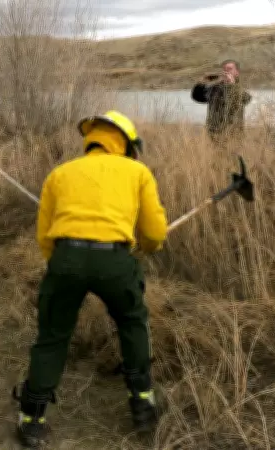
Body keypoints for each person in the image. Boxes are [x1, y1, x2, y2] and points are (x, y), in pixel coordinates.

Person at [14, 110, 168, 447]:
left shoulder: (60, 173)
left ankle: (32, 418)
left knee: (53, 335)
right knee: (131, 323)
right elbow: (155, 232)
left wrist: (64, 265)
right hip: (115, 260)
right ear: (125, 144)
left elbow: (44, 236)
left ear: (92, 138)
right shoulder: (137, 171)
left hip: (65, 258)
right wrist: (143, 249)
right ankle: (143, 403)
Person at [191, 59, 252, 146]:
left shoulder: (240, 90)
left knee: (232, 158)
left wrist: (231, 85)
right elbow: (197, 97)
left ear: (237, 72)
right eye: (224, 69)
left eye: (230, 69)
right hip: (213, 134)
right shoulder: (215, 89)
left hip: (233, 134)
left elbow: (244, 100)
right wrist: (202, 82)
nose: (226, 72)